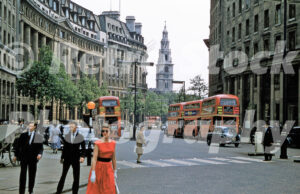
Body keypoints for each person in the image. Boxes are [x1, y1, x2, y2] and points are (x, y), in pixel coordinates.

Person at [86, 123, 117, 194]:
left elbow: (114, 158)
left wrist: (115, 170)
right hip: (98, 168)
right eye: (103, 131)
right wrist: (93, 172)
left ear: (110, 132)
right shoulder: (98, 143)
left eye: (106, 131)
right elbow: (94, 158)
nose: (104, 133)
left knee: (109, 187)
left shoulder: (113, 143)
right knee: (97, 189)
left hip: (108, 168)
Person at [13, 122, 44, 194]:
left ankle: (31, 190)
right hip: (24, 157)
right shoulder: (23, 135)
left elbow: (41, 148)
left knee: (32, 175)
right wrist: (15, 155)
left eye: (31, 126)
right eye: (29, 126)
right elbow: (18, 146)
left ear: (35, 127)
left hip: (33, 158)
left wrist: (39, 154)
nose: (29, 127)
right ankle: (21, 191)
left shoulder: (38, 136)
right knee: (23, 175)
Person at [56, 121, 86, 194]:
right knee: (63, 175)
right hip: (67, 158)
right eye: (70, 127)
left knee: (76, 177)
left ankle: (75, 192)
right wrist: (62, 157)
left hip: (76, 158)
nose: (71, 128)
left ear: (76, 127)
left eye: (72, 127)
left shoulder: (80, 137)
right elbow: (65, 148)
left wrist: (82, 156)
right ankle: (58, 191)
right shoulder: (67, 136)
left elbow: (83, 148)